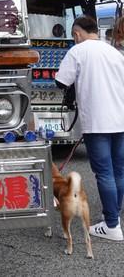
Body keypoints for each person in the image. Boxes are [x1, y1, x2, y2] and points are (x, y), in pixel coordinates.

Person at [56, 15, 124, 241]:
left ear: (76, 33)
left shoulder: (78, 51)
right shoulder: (115, 52)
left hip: (97, 122)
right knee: (118, 171)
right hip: (120, 119)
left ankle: (112, 225)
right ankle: (114, 214)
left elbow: (61, 81)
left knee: (104, 172)